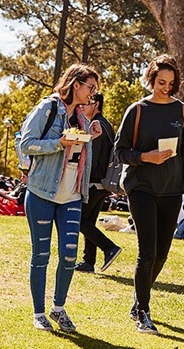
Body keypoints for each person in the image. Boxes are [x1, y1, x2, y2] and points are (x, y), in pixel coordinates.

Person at [115, 54, 184, 334]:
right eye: (161, 82)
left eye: (171, 83)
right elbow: (120, 152)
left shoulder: (183, 112)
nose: (166, 88)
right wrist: (145, 157)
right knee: (147, 252)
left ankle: (138, 299)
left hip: (172, 190)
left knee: (162, 253)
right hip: (141, 187)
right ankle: (143, 311)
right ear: (151, 79)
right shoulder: (137, 110)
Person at [19, 63, 102, 332]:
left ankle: (58, 308)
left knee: (69, 256)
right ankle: (39, 313)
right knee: (41, 255)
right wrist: (59, 143)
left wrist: (91, 135)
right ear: (76, 84)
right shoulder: (48, 107)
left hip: (72, 195)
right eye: (91, 87)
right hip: (42, 192)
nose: (93, 93)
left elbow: (78, 155)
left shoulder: (81, 117)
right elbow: (26, 144)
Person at [75, 92, 122, 273]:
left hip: (94, 183)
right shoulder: (105, 124)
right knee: (89, 222)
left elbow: (92, 159)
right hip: (102, 184)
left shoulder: (97, 126)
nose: (84, 105)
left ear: (97, 105)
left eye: (89, 102)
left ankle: (109, 248)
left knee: (79, 221)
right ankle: (88, 262)